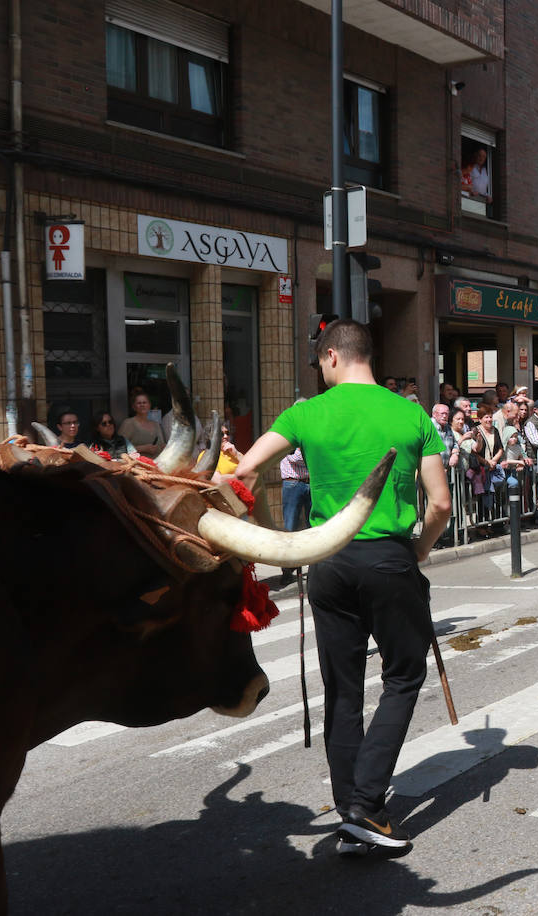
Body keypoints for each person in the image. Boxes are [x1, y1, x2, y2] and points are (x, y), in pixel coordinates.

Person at [232, 318, 450, 858]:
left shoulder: (306, 413)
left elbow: (240, 472)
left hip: (325, 563)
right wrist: (418, 551)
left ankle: (349, 802)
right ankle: (366, 807)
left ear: (331, 356)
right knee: (403, 675)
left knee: (343, 688)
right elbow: (441, 504)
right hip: (389, 560)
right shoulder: (412, 413)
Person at [278, 442, 311, 587]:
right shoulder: (288, 438)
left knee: (313, 527)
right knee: (290, 528)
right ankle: (287, 570)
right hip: (293, 484)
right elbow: (298, 458)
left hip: (310, 483)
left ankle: (315, 568)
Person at [119, 389, 165, 457]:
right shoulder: (129, 423)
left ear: (149, 405)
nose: (142, 405)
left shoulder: (156, 424)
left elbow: (162, 444)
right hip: (138, 465)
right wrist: (142, 448)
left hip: (158, 464)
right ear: (133, 407)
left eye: (144, 402)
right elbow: (119, 448)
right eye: (139, 403)